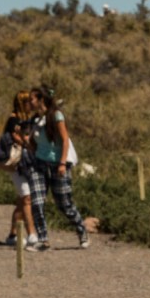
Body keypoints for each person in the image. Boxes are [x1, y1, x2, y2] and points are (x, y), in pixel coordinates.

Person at [27, 86, 89, 251]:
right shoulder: (35, 119)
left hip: (58, 164)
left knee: (64, 204)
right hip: (39, 163)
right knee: (37, 201)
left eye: (32, 99)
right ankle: (43, 240)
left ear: (41, 100)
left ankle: (81, 230)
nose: (29, 102)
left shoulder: (56, 115)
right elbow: (32, 142)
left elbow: (65, 140)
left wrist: (62, 163)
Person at [2, 91, 37, 247]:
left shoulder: (30, 119)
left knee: (21, 202)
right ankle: (32, 234)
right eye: (29, 101)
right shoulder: (13, 120)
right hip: (17, 165)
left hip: (29, 164)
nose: (32, 103)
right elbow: (19, 138)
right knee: (26, 197)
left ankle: (12, 235)